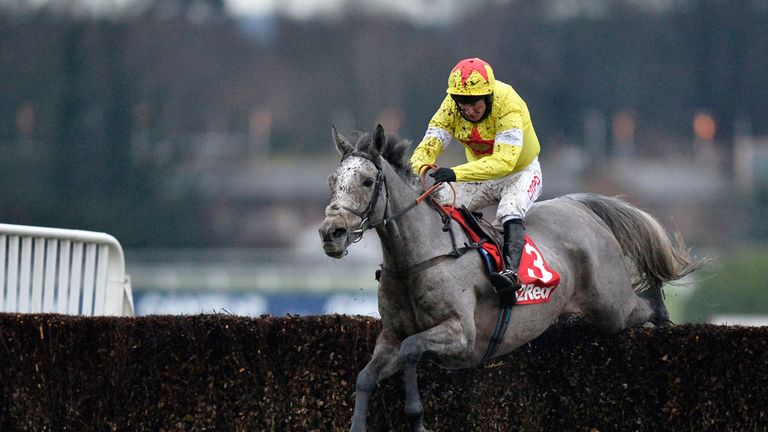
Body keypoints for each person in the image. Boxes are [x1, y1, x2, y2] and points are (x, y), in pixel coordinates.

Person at [410, 57, 543, 306]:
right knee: (440, 202)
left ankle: (510, 275)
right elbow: (429, 144)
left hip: (520, 173)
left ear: (489, 97)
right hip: (481, 177)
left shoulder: (508, 102)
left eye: (474, 104)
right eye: (463, 104)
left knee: (509, 210)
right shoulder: (451, 105)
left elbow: (504, 162)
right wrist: (421, 169)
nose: (468, 110)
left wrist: (456, 173)